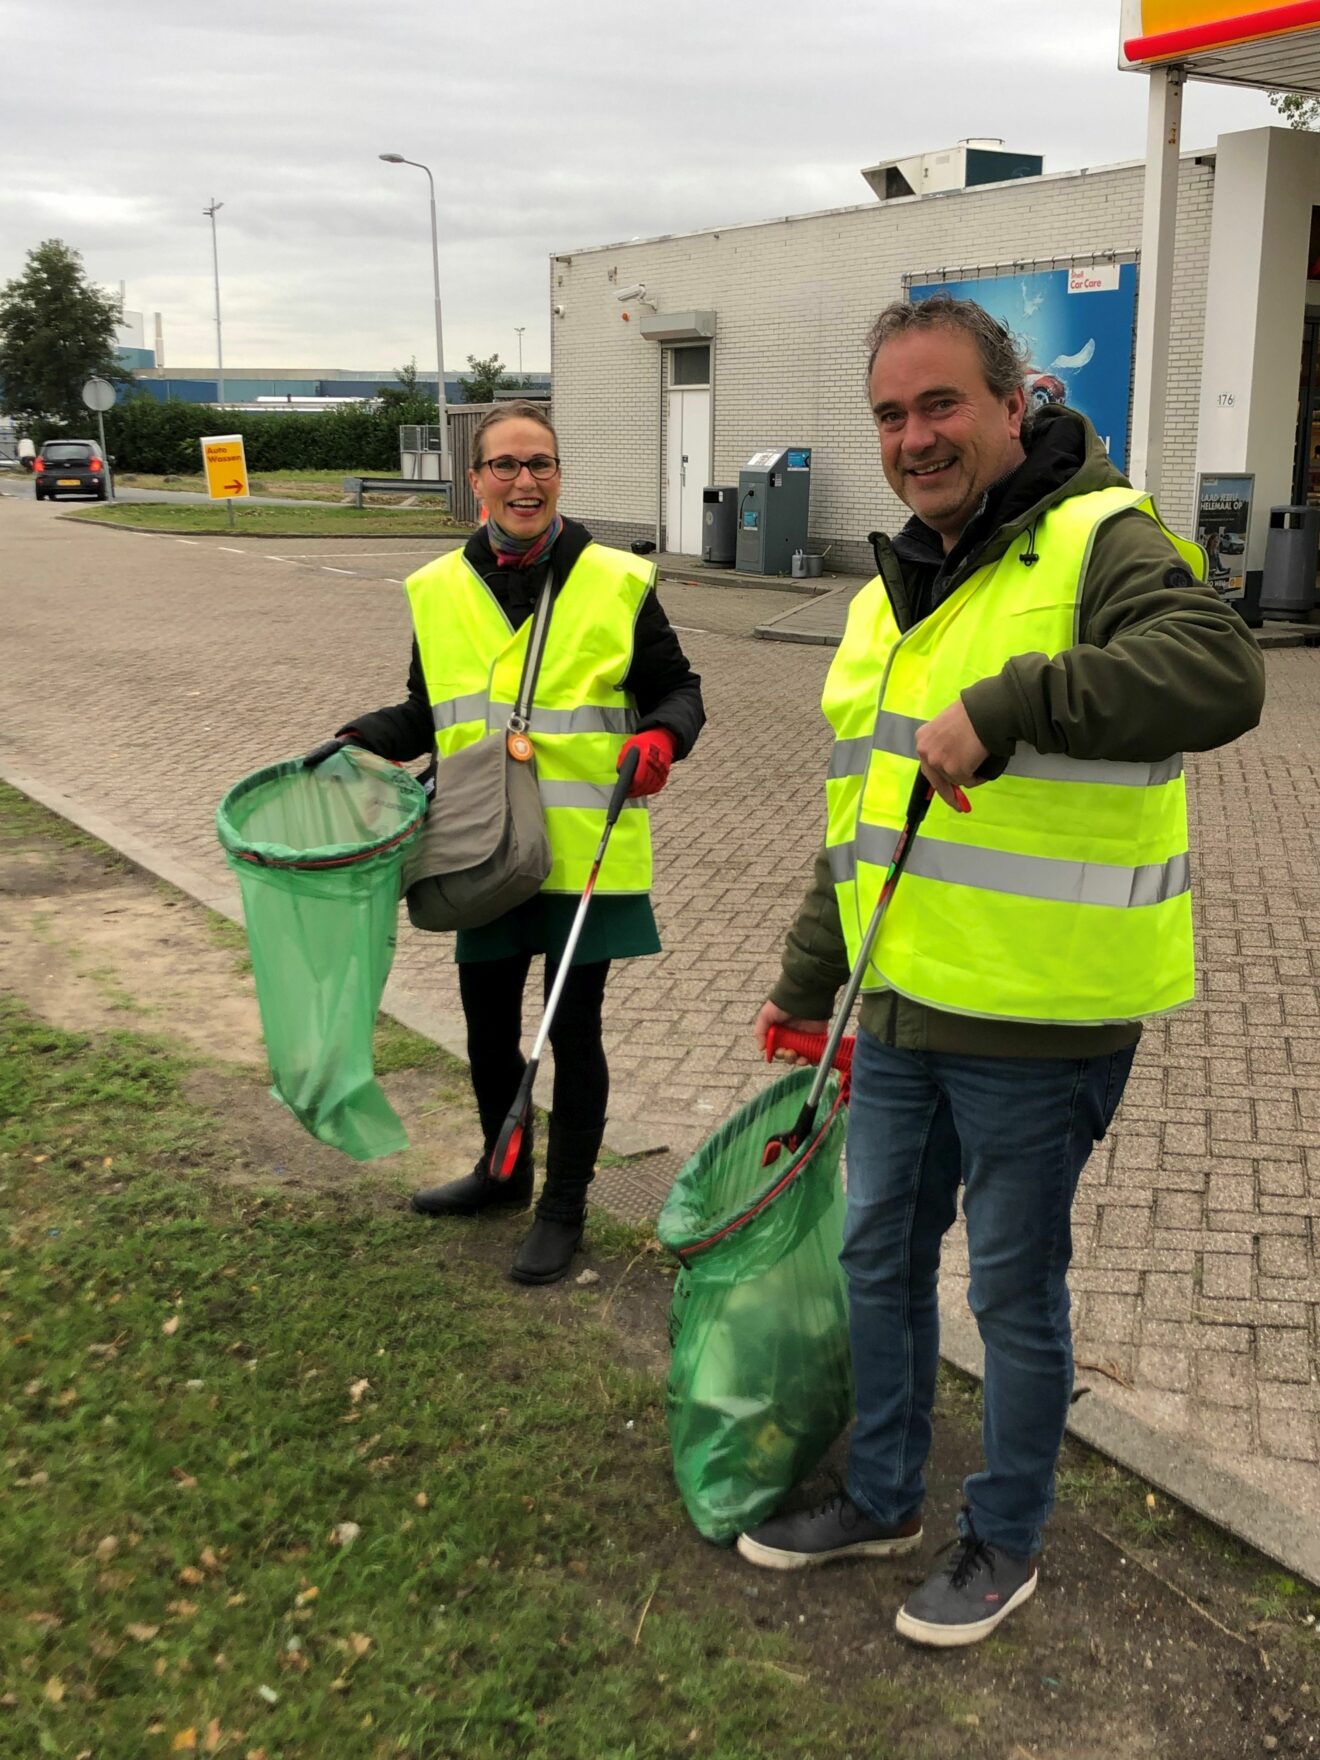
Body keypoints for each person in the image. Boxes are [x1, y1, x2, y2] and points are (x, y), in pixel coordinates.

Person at [738, 299, 1265, 1647]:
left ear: (1009, 404)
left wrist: (1018, 702)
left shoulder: (1102, 536)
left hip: (1042, 1019)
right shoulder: (886, 593)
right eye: (891, 416)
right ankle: (884, 1495)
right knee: (879, 1259)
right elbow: (858, 819)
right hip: (906, 1003)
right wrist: (808, 979)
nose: (916, 438)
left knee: (1011, 1293)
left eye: (941, 406)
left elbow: (1219, 672)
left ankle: (1002, 1539)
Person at [313, 401, 704, 1285]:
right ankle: (501, 1176)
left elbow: (679, 689)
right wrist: (359, 738)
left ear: (559, 475)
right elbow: (427, 710)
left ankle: (564, 1208)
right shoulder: (435, 589)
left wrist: (663, 738)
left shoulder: (618, 581)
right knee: (489, 1030)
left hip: (583, 850)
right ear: (476, 479)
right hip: (479, 846)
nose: (525, 481)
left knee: (574, 1031)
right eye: (505, 466)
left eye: (541, 464)